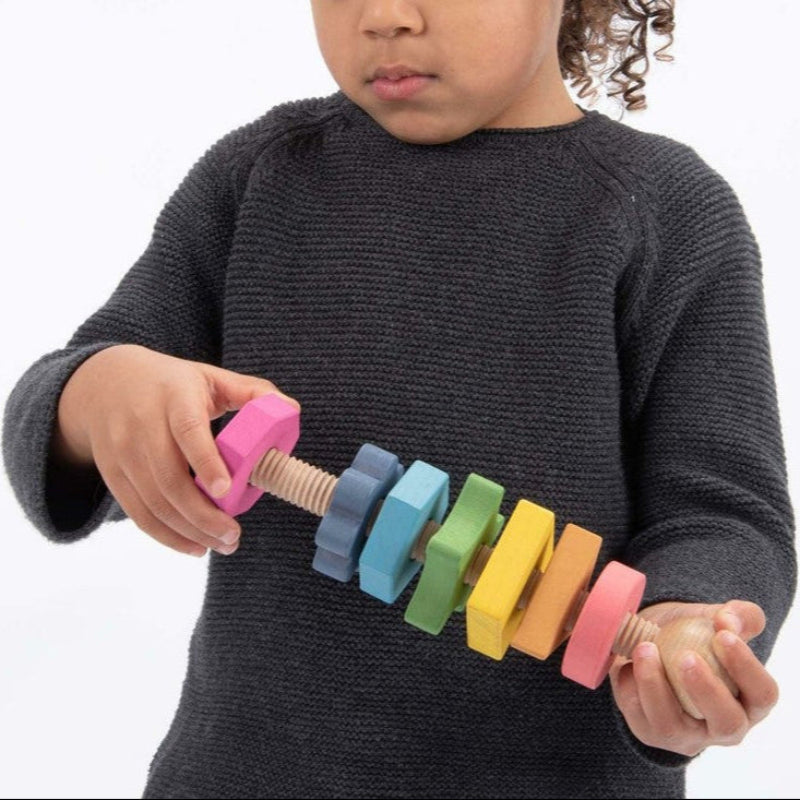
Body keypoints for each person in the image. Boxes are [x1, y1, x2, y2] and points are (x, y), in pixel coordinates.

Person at [2, 1, 795, 797]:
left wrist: (686, 630)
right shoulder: (259, 177)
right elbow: (78, 391)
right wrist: (98, 395)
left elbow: (722, 512)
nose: (385, 15)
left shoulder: (668, 213)